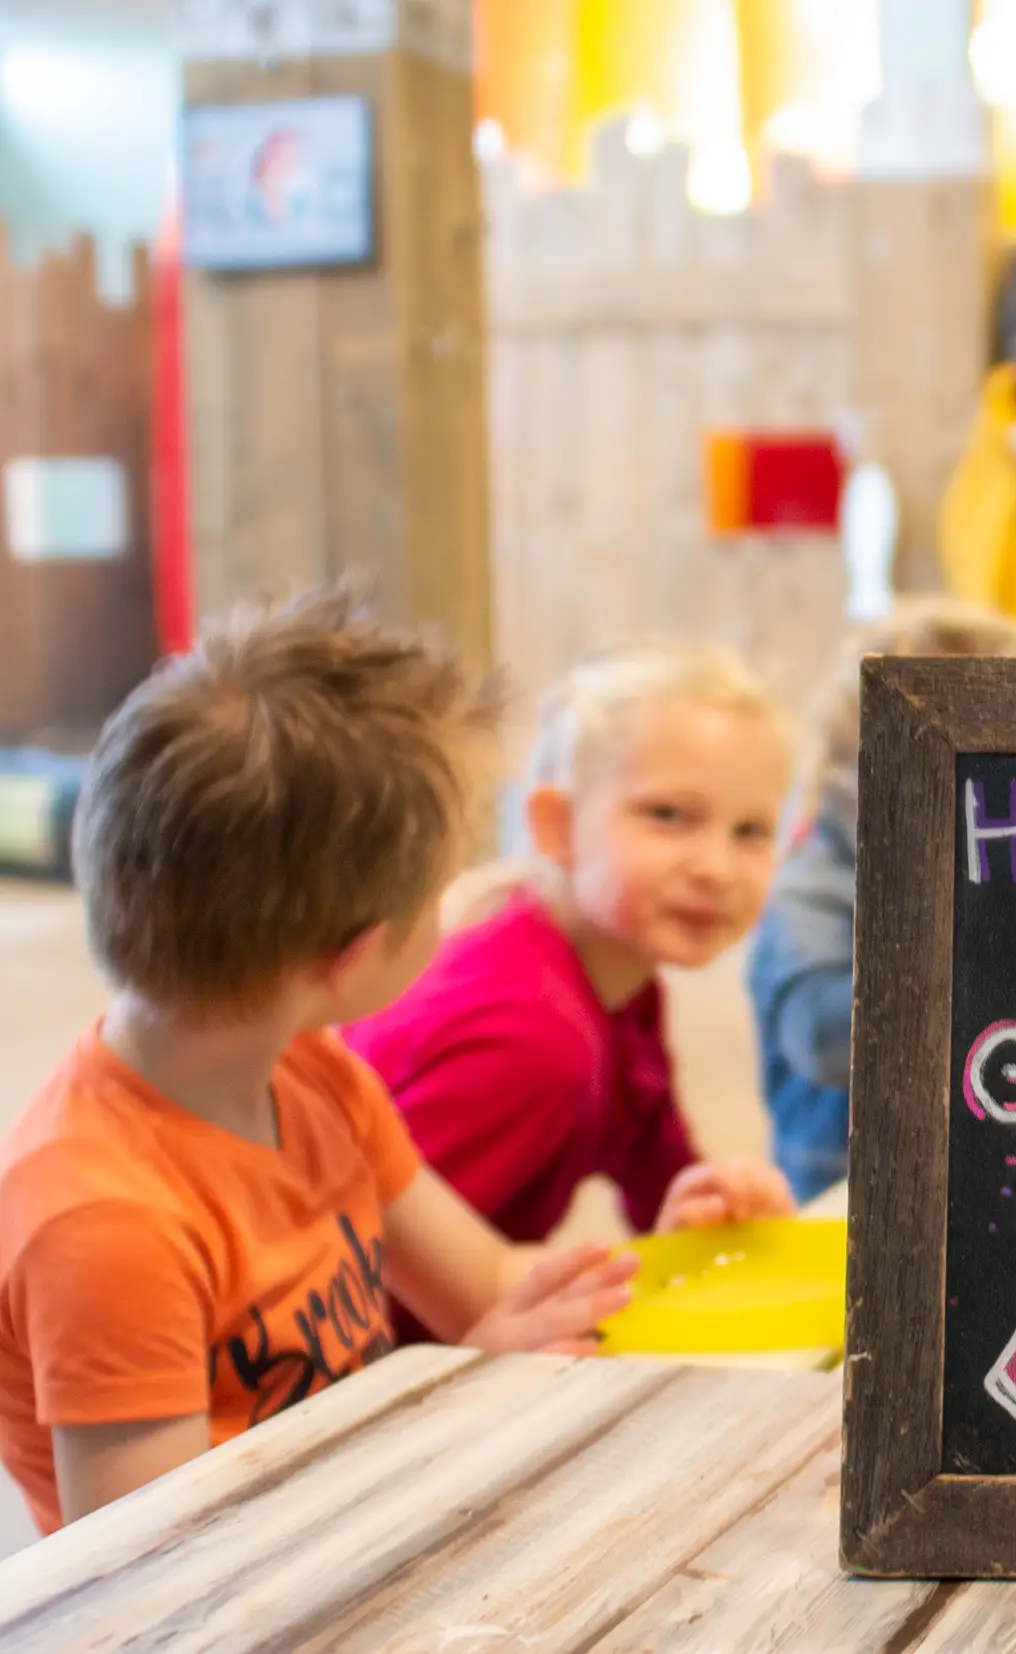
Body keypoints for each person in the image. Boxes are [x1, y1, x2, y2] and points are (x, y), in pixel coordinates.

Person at [0, 592, 639, 1535]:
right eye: (438, 891)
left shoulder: (311, 1075)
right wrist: (453, 1407)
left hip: (364, 1524)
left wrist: (681, 1253)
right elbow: (149, 1569)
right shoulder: (104, 1223)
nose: (464, 898)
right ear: (348, 961)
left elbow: (494, 1283)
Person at [347, 642, 797, 1329]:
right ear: (555, 826)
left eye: (750, 831)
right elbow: (360, 1272)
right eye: (669, 815)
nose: (716, 866)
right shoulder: (534, 1038)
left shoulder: (626, 989)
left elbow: (659, 1195)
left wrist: (705, 1213)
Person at [747, 601, 1016, 1202]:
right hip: (842, 1190)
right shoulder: (816, 880)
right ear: (854, 758)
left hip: (977, 1177)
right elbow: (821, 1036)